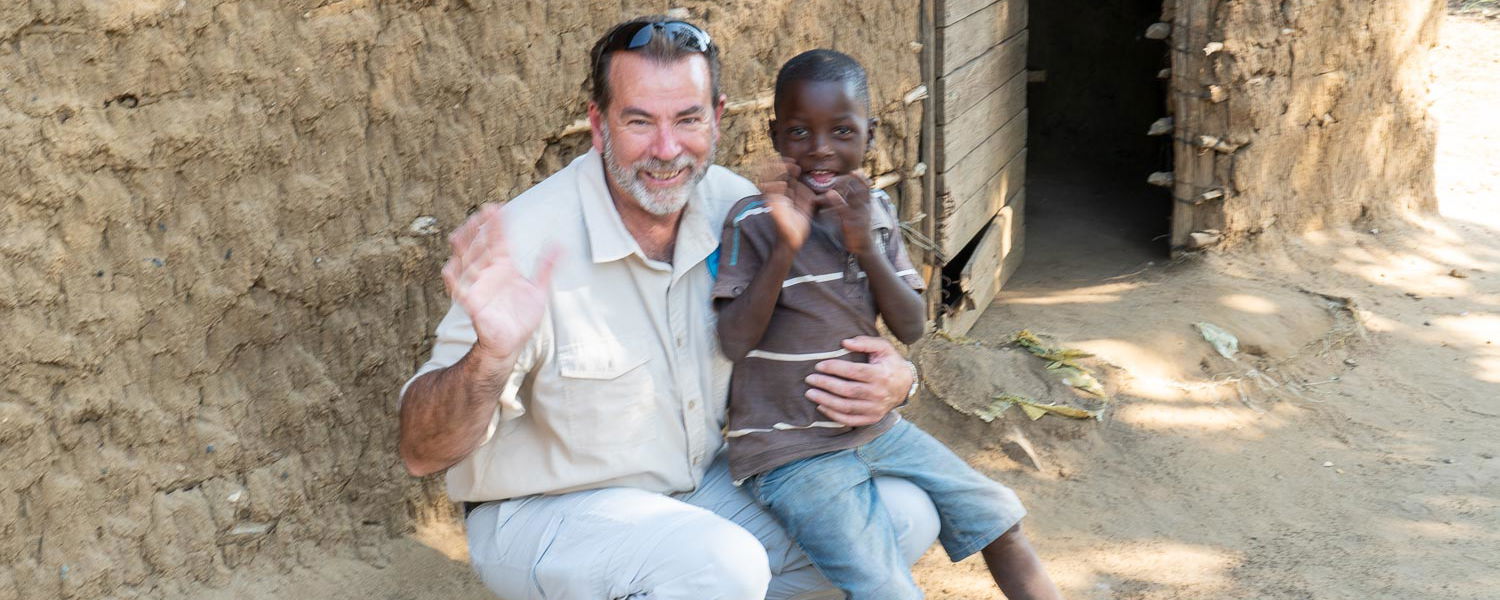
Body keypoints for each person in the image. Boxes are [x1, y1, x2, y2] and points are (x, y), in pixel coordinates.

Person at [396, 18, 941, 599]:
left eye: (687, 119)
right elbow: (421, 453)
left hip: (696, 497)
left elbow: (839, 328)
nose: (666, 150)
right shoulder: (528, 242)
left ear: (718, 117)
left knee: (901, 513)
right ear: (599, 126)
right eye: (639, 121)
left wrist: (897, 379)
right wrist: (491, 355)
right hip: (547, 518)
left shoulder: (746, 212)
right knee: (719, 563)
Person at [713, 49, 1064, 600]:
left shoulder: (874, 208)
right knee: (886, 585)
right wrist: (788, 245)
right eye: (800, 132)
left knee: (1000, 519)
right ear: (774, 133)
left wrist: (866, 248)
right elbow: (733, 341)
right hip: (790, 451)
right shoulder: (751, 220)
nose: (821, 148)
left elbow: (911, 326)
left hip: (877, 430)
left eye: (842, 131)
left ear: (871, 135)